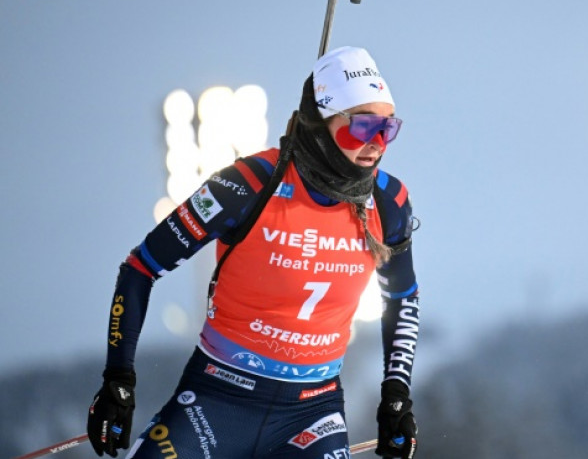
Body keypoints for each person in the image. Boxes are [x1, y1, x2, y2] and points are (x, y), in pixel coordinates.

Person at [86, 46, 420, 458]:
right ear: (320, 124)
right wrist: (118, 380)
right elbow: (140, 267)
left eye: (387, 128)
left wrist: (396, 396)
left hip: (312, 415)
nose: (376, 143)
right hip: (217, 400)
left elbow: (403, 298)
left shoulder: (388, 201)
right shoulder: (247, 185)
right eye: (363, 126)